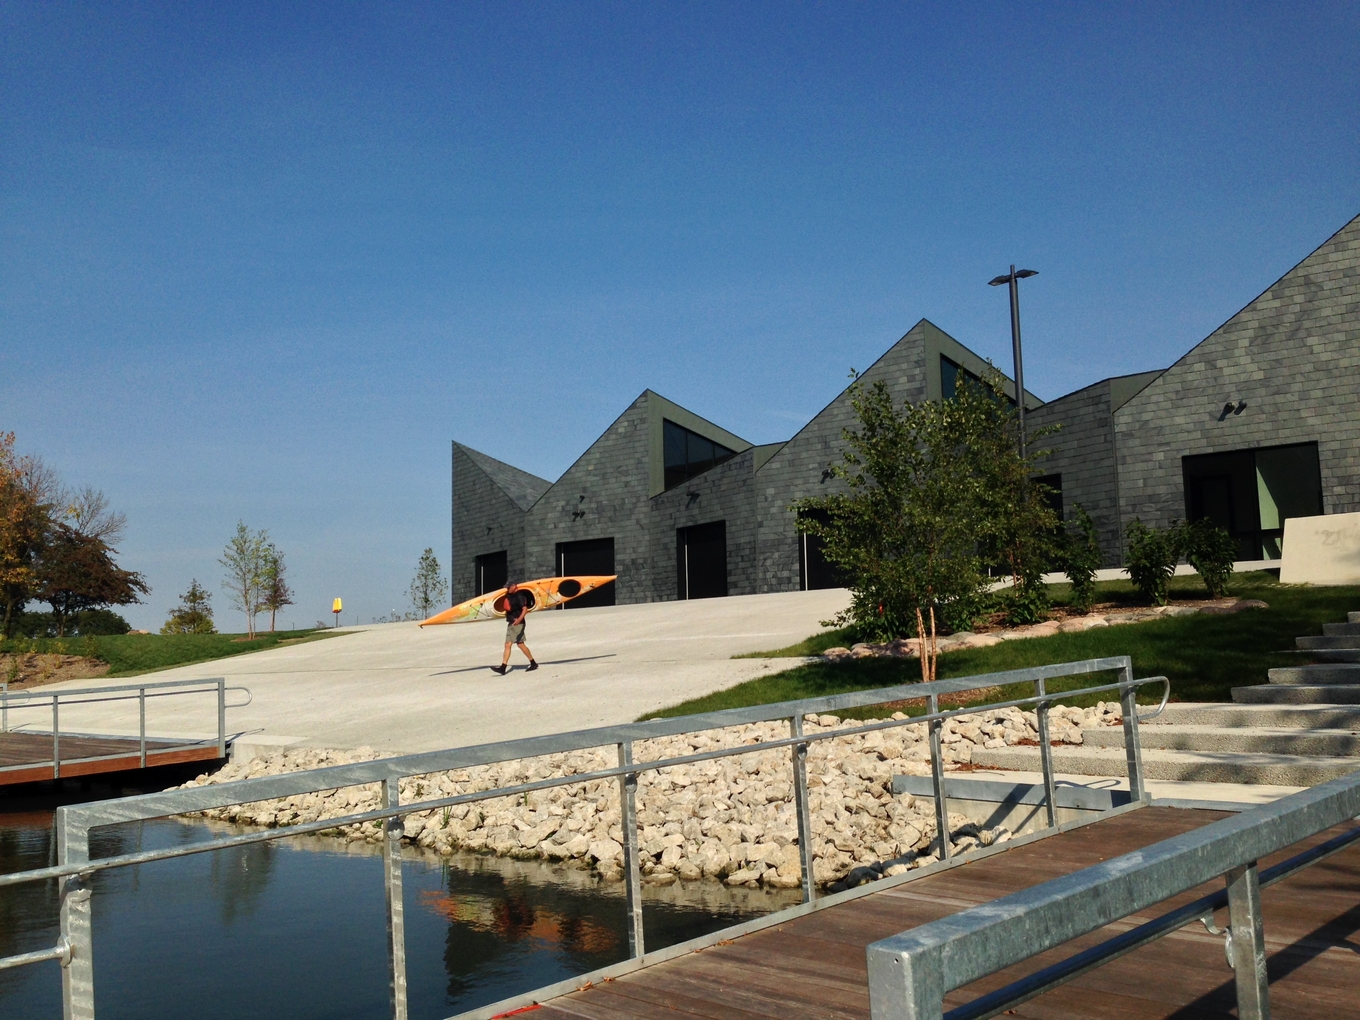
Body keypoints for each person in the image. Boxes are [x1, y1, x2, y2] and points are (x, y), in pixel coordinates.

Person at [492, 581, 538, 674]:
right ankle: (533, 663)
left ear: (514, 586)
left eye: (508, 587)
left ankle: (503, 667)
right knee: (520, 644)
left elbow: (525, 609)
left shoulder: (519, 596)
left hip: (517, 623)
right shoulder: (510, 595)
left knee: (508, 644)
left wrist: (518, 620)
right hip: (512, 622)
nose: (507, 589)